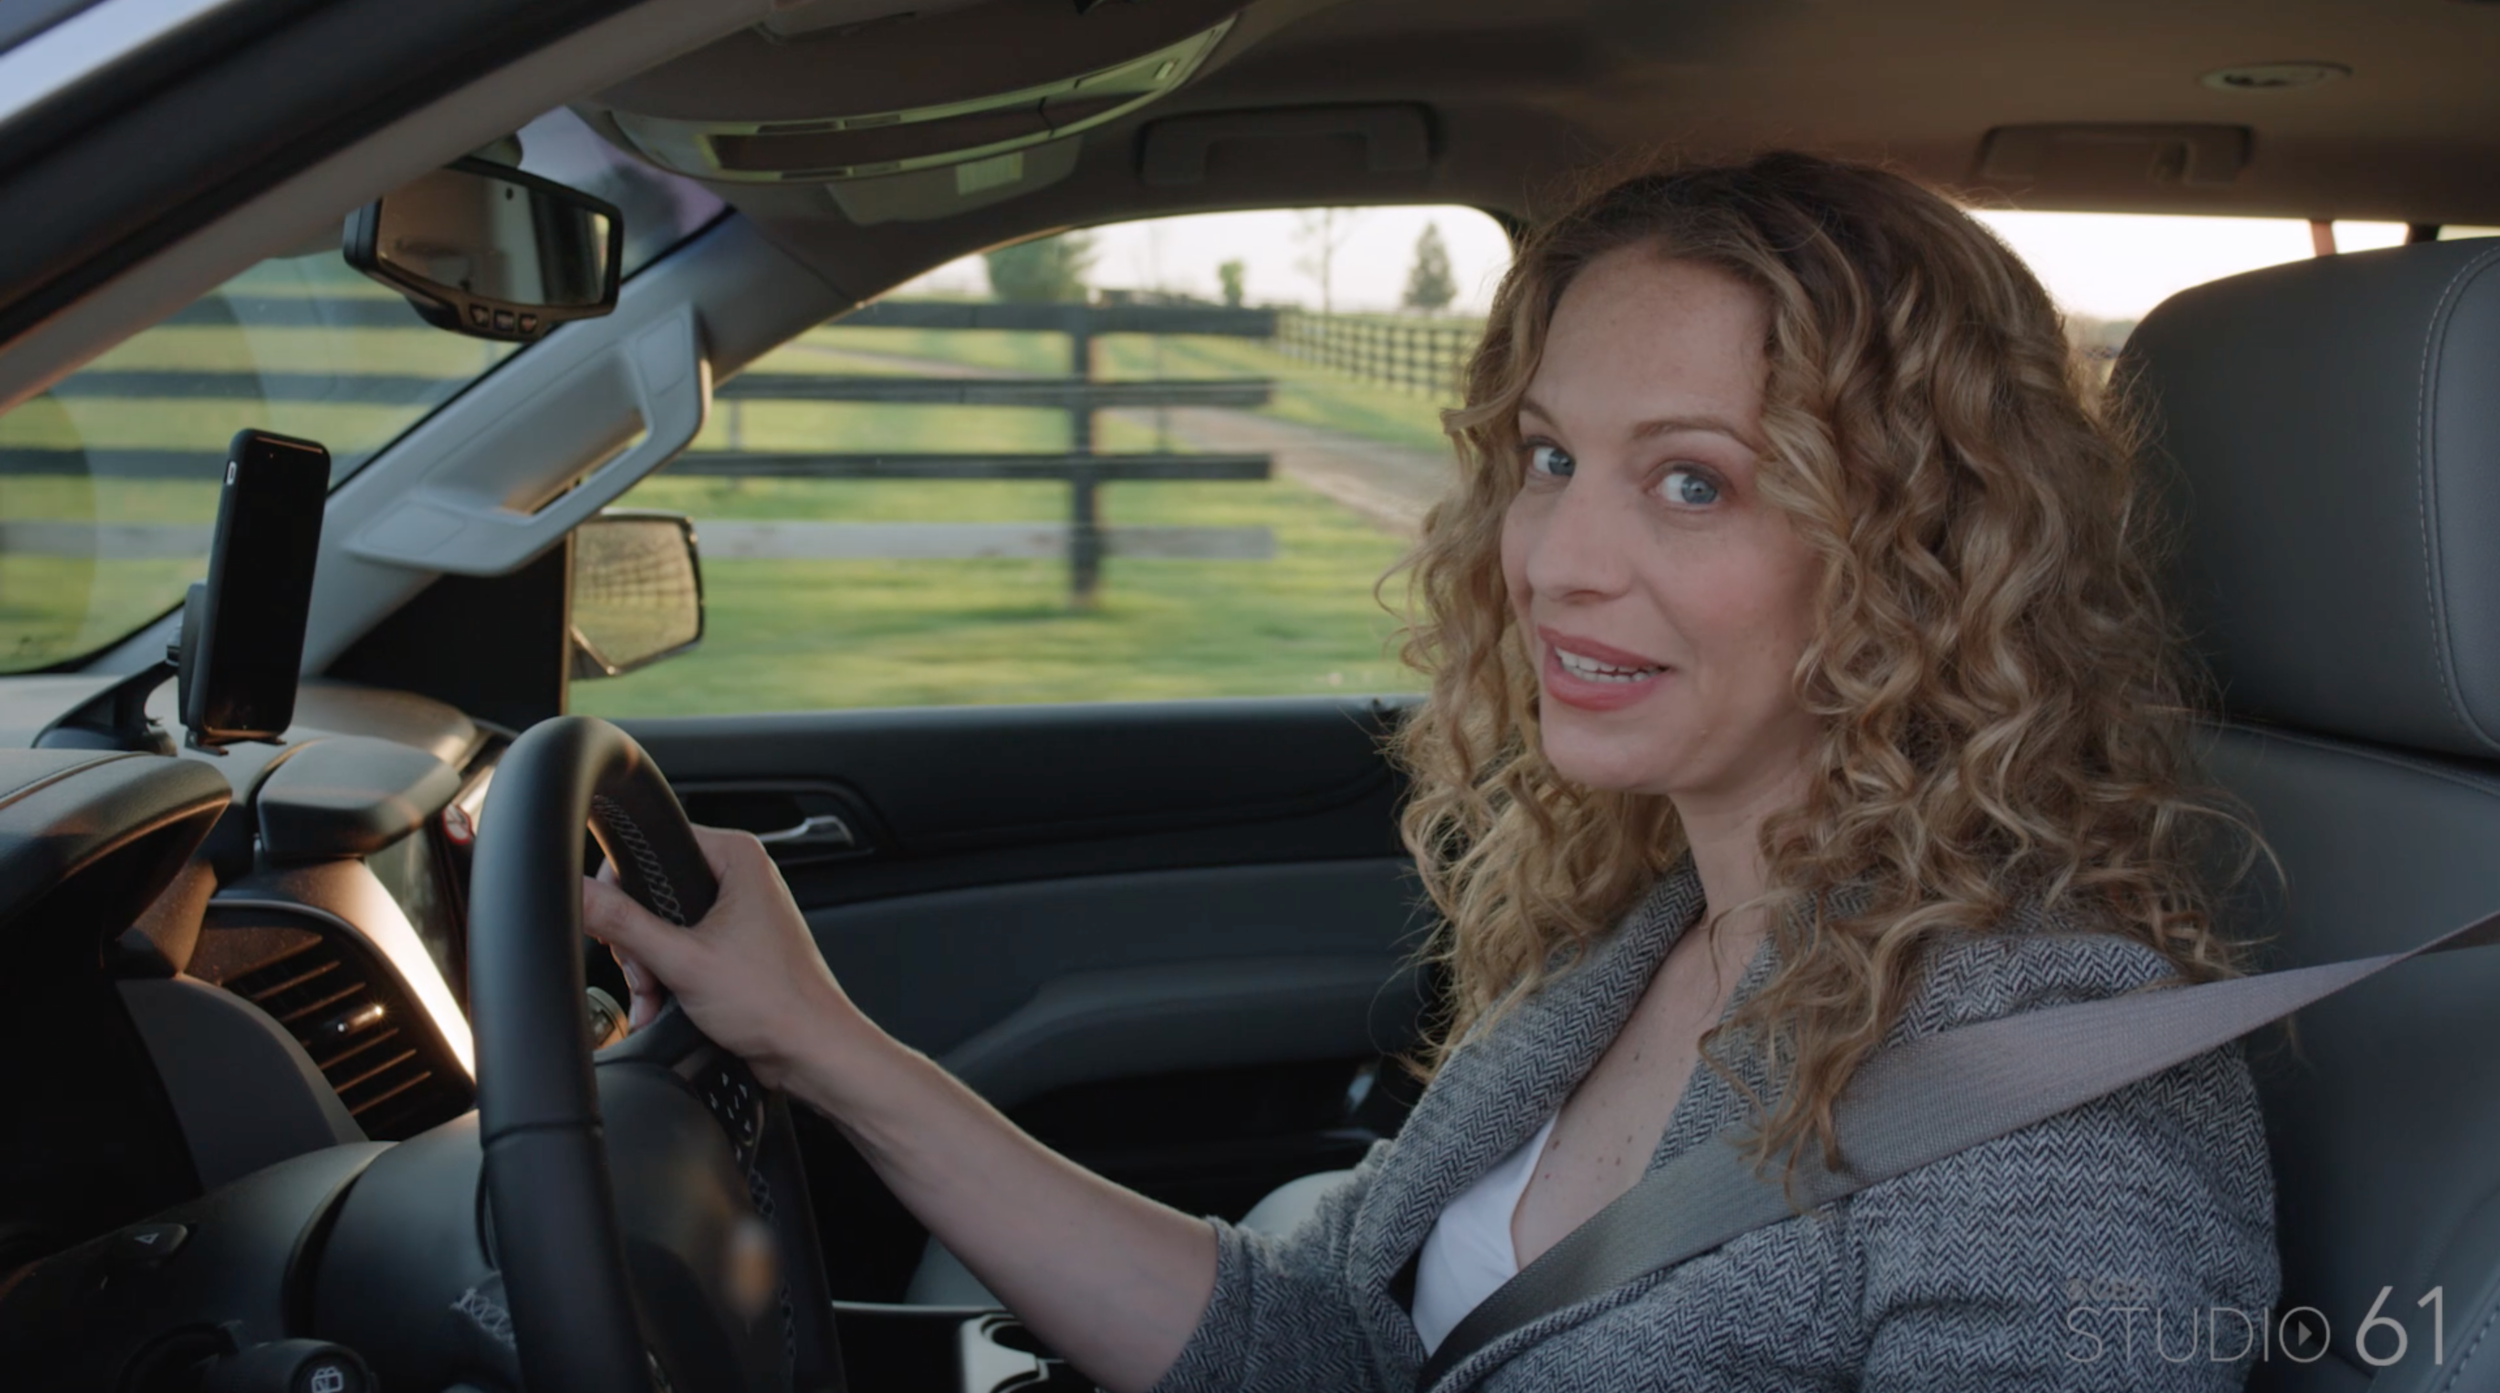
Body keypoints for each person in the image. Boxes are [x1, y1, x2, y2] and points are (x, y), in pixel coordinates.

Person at [582, 152, 2279, 1391]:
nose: (1556, 561)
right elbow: (1329, 1347)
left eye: (1691, 481)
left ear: (1922, 555)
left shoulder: (2051, 1074)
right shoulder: (1645, 929)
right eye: (1549, 458)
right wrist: (817, 1041)